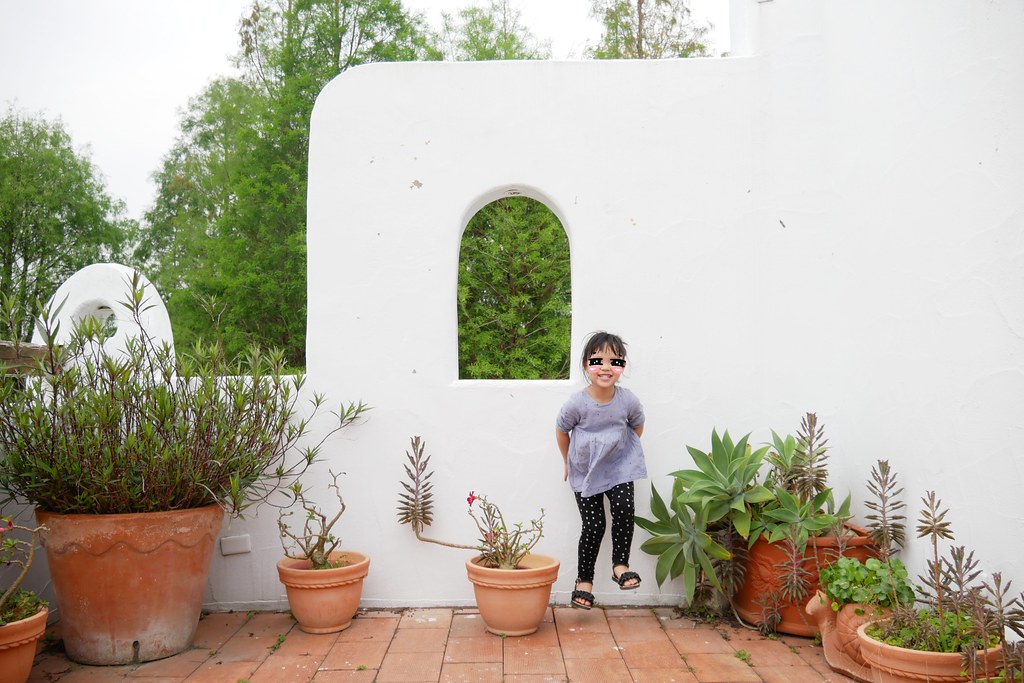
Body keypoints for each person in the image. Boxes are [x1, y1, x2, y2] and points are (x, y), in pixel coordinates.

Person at [555, 331, 646, 609]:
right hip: (586, 472)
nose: (606, 367)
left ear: (622, 367)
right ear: (586, 365)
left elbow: (637, 424)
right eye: (598, 360)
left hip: (619, 469)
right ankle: (584, 581)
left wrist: (623, 454)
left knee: (624, 510)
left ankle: (620, 565)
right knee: (594, 526)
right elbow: (562, 430)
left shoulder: (627, 400)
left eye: (615, 361)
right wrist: (566, 461)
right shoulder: (577, 403)